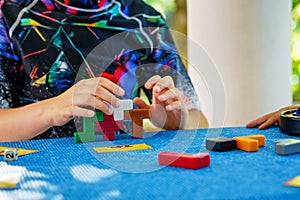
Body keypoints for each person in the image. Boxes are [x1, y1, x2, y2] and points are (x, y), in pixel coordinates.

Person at [0, 0, 208, 142]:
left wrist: (177, 121)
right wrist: (52, 110)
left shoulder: (146, 20)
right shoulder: (10, 15)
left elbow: (199, 121)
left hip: (124, 170)